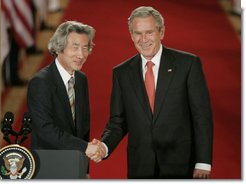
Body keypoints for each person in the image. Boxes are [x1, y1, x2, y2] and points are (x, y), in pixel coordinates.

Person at [90, 6, 213, 179]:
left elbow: (202, 117)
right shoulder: (121, 73)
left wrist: (203, 162)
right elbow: (117, 122)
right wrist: (104, 146)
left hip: (181, 164)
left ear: (161, 32)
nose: (143, 39)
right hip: (140, 166)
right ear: (131, 35)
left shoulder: (188, 64)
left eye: (149, 32)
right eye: (138, 33)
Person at [27, 21, 102, 172]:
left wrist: (84, 169)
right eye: (75, 47)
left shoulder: (81, 79)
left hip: (75, 164)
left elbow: (83, 129)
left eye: (85, 48)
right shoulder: (41, 82)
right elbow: (46, 130)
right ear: (59, 47)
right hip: (48, 166)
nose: (81, 55)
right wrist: (85, 147)